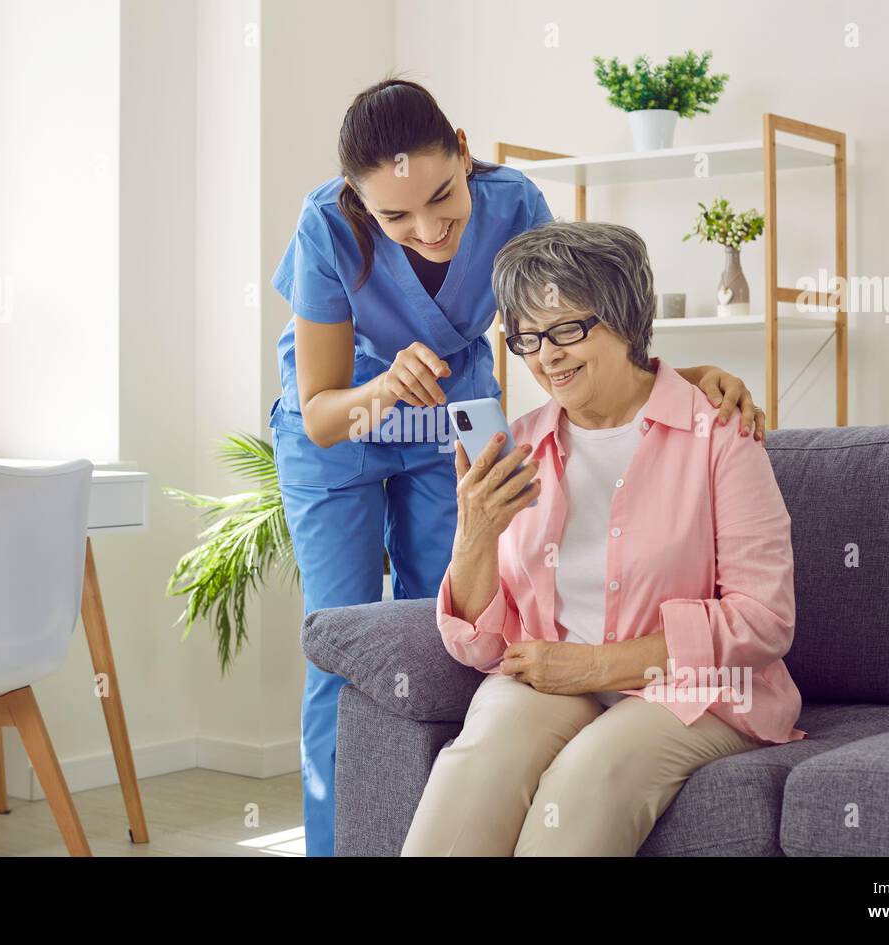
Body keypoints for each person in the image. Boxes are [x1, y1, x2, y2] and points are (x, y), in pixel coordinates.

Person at [270, 78, 768, 857]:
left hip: (455, 414)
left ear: (465, 153)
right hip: (348, 424)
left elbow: (577, 317)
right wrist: (381, 388)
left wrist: (676, 377)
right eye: (395, 216)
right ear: (358, 202)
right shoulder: (325, 228)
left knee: (467, 631)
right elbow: (325, 410)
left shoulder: (513, 202)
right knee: (349, 649)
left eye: (442, 198)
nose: (429, 230)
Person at [400, 221, 806, 857]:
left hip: (695, 689)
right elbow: (479, 648)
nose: (546, 355)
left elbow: (764, 620)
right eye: (528, 337)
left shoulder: (719, 434)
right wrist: (475, 536)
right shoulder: (519, 445)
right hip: (551, 677)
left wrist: (595, 665)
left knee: (585, 781)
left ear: (625, 319)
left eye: (566, 329)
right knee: (475, 764)